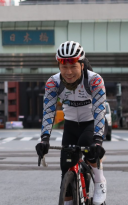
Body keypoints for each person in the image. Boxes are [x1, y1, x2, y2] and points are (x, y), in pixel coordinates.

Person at [35, 41, 107, 205]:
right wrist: (44, 139)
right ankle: (68, 199)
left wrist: (98, 140)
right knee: (65, 164)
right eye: (64, 67)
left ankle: (99, 180)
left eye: (73, 66)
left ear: (82, 65)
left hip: (91, 123)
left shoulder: (94, 81)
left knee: (87, 146)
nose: (68, 72)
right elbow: (48, 111)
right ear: (59, 66)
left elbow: (99, 111)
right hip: (71, 125)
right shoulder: (53, 83)